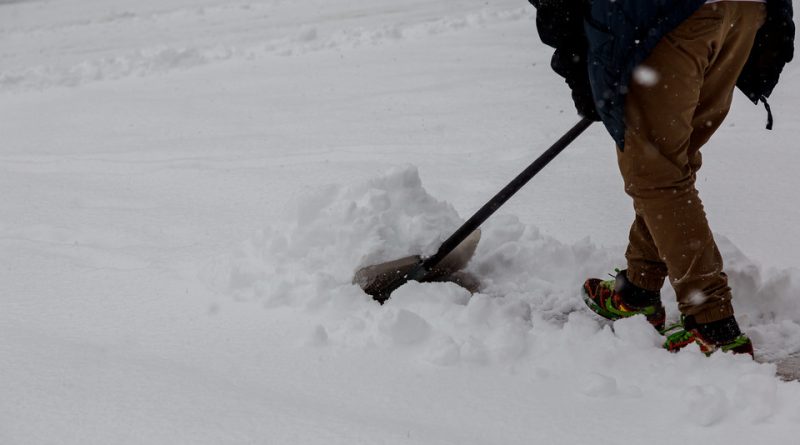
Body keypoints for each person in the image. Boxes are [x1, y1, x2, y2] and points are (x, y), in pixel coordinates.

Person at [529, 0, 794, 355]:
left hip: (668, 14)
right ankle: (639, 288)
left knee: (656, 174)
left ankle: (712, 324)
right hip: (744, 9)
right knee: (672, 162)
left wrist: (580, 71)